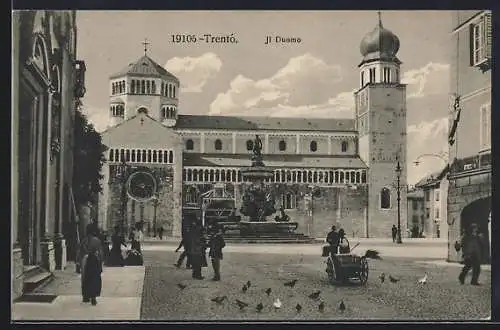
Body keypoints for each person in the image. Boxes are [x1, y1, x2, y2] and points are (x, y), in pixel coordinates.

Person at [77, 223, 104, 306]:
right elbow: (100, 253)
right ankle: (93, 297)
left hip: (85, 261)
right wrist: (101, 262)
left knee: (85, 279)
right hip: (94, 261)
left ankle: (86, 296)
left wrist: (78, 263)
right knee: (95, 279)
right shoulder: (97, 241)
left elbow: (80, 253)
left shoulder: (84, 240)